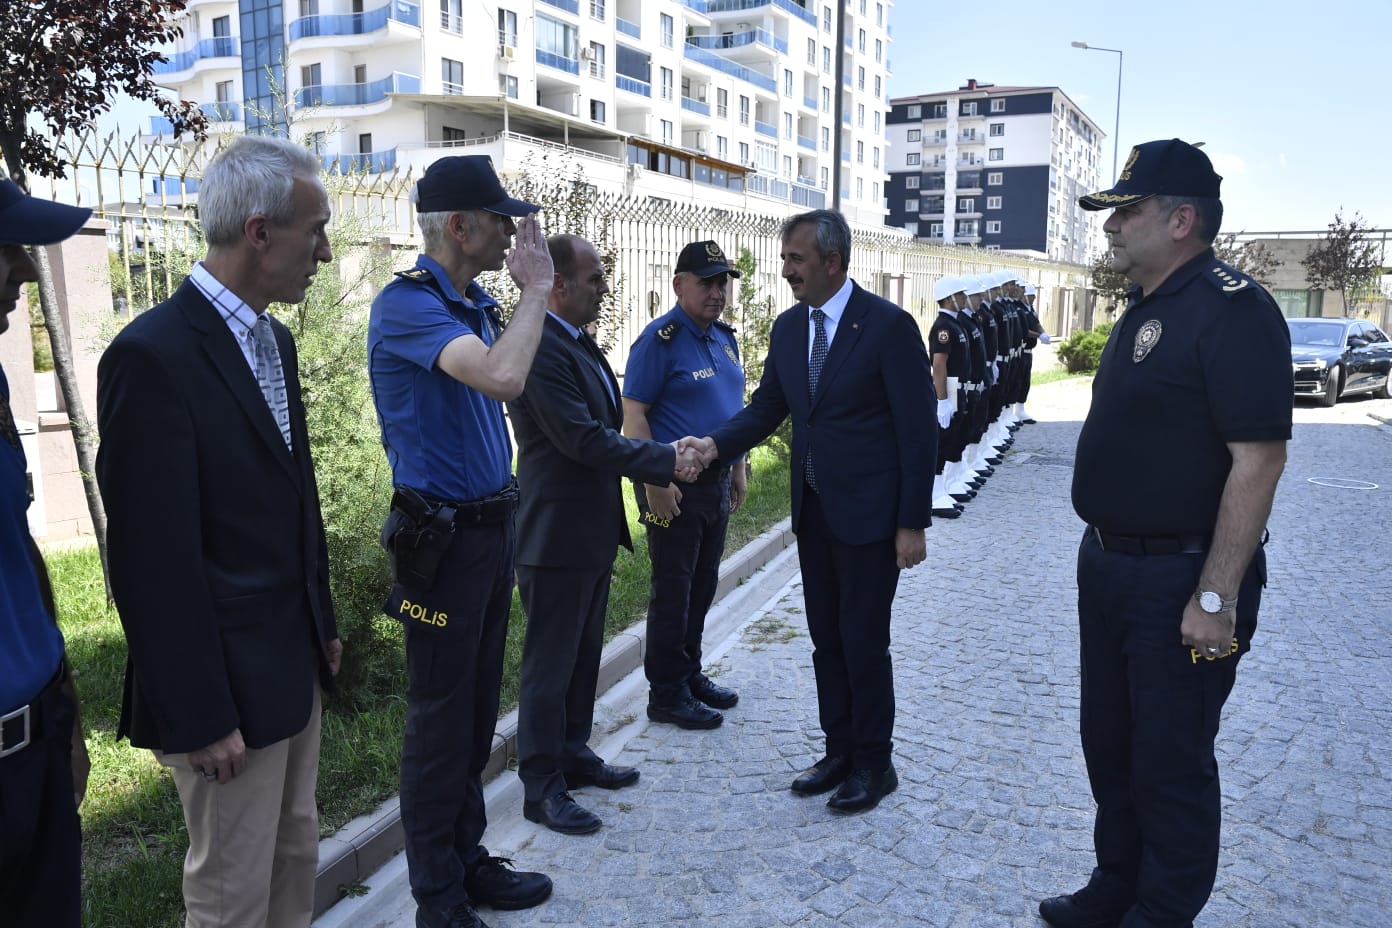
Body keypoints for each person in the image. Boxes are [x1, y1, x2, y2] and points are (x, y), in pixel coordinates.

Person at [1041, 139, 1291, 928]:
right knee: (1109, 745)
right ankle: (1118, 881)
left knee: (1170, 761)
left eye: (1129, 210)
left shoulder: (1234, 310)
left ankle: (1163, 910)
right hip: (1112, 568)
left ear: (1183, 219)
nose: (1112, 227)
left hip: (1182, 579)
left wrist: (1216, 596)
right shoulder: (1148, 308)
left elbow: (1257, 461)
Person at [95, 136, 343, 928]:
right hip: (226, 689)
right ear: (261, 232)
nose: (327, 253)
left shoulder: (274, 338)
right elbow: (150, 561)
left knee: (294, 856)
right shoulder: (152, 355)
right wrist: (201, 714)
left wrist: (322, 623)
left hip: (291, 665)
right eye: (317, 231)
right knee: (233, 890)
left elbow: (293, 496)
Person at [695, 209, 935, 815]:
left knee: (863, 639)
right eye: (785, 259)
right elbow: (768, 406)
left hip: (872, 518)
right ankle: (838, 750)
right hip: (815, 513)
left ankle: (875, 765)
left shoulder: (887, 326)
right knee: (826, 638)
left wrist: (912, 522)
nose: (785, 271)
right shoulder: (788, 328)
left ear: (833, 262)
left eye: (796, 260)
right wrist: (716, 445)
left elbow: (918, 432)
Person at [368, 155, 554, 928]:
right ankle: (436, 898)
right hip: (440, 552)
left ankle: (467, 860)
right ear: (460, 226)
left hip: (486, 534)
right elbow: (505, 380)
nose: (512, 231)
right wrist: (538, 290)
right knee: (440, 719)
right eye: (500, 217)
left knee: (476, 713)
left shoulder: (470, 302)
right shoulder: (409, 306)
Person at [509, 234, 703, 836]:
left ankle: (572, 752)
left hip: (586, 529)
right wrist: (663, 459)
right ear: (558, 285)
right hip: (554, 534)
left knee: (581, 656)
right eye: (594, 278)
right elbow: (582, 440)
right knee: (549, 666)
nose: (604, 286)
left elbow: (608, 421)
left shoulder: (576, 341)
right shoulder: (541, 347)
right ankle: (541, 786)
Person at [0, 180, 91, 928]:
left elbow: (18, 548)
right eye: (8, 251)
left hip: (35, 742)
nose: (27, 272)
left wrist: (65, 703)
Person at [621, 240, 747, 731]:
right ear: (679, 285)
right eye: (707, 282)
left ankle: (689, 672)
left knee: (703, 582)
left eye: (723, 283)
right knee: (673, 587)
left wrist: (736, 464)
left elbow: (733, 410)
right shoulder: (660, 340)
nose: (717, 292)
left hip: (714, 481)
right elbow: (634, 416)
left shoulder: (723, 338)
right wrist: (655, 481)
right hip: (672, 486)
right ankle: (666, 691)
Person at [927, 275, 969, 520]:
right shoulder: (943, 327)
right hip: (949, 387)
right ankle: (933, 495)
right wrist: (942, 400)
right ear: (949, 298)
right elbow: (939, 366)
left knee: (954, 437)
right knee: (942, 442)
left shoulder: (955, 324)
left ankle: (942, 488)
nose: (964, 297)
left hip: (958, 386)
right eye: (960, 294)